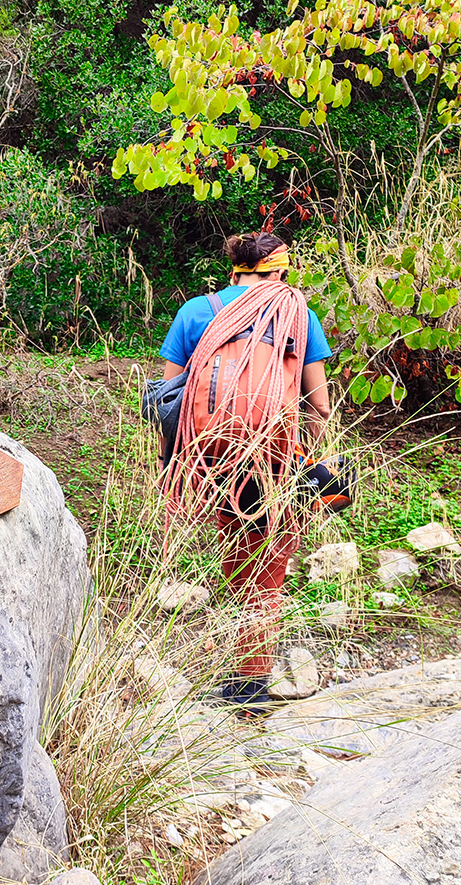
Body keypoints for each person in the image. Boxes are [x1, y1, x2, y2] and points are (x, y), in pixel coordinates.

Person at [158, 232, 332, 710]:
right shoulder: (298, 314)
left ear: (235, 270)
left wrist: (170, 461)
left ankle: (238, 669)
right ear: (278, 272)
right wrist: (315, 458)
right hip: (272, 454)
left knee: (235, 552)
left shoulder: (196, 311)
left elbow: (168, 400)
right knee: (269, 567)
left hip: (211, 456)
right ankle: (249, 684)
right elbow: (318, 405)